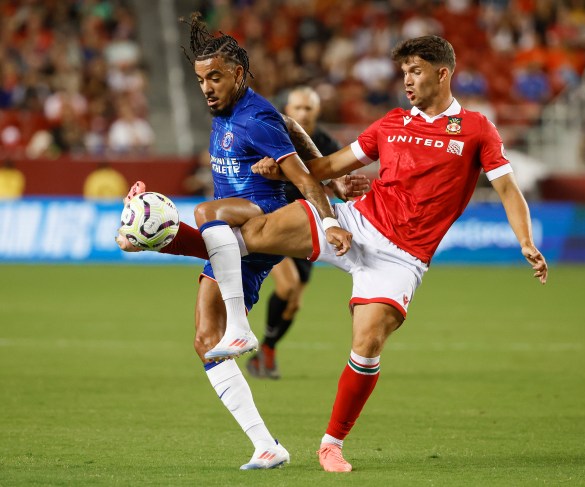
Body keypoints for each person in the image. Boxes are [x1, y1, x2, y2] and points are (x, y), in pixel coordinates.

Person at [121, 35, 548, 473]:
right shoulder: (391, 124)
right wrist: (282, 167)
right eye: (403, 73)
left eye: (415, 72)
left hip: (402, 257)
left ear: (443, 74)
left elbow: (507, 188)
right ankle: (167, 246)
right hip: (357, 222)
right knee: (248, 231)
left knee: (367, 345)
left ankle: (331, 444)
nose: (407, 81)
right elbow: (328, 166)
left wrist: (526, 241)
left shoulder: (477, 129)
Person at [118, 14, 367, 471]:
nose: (206, 88)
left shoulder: (256, 117)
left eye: (214, 77)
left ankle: (240, 324)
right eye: (200, 80)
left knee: (206, 214)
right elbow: (295, 128)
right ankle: (265, 445)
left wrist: (329, 215)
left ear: (236, 74)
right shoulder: (226, 114)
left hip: (263, 221)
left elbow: (300, 174)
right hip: (231, 239)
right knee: (203, 339)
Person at [246, 86, 342, 380]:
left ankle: (267, 350)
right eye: (297, 108)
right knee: (287, 286)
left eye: (308, 109)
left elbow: (337, 178)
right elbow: (248, 167)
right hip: (273, 218)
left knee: (295, 301)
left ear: (317, 111)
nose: (303, 113)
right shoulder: (272, 134)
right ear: (287, 109)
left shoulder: (325, 142)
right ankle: (242, 338)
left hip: (306, 224)